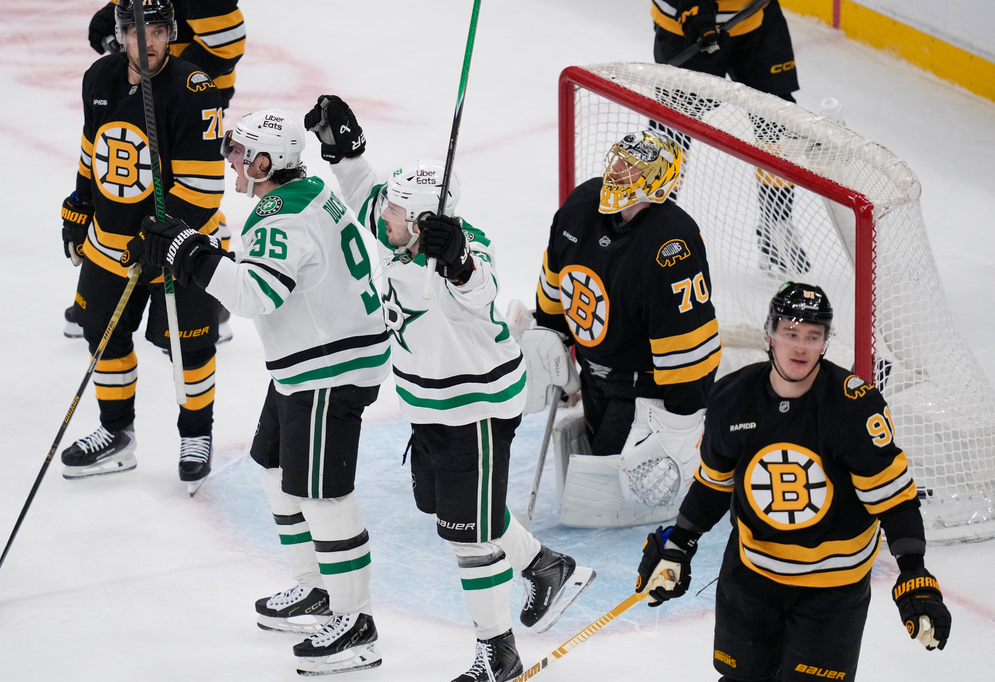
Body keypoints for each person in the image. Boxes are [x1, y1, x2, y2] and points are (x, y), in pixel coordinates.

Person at [306, 94, 595, 682]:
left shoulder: (464, 251)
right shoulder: (397, 232)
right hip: (430, 406)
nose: (381, 215)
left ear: (420, 224)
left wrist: (457, 258)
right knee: (450, 509)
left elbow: (479, 289)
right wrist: (346, 152)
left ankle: (498, 653)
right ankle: (545, 564)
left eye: (394, 210)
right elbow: (364, 194)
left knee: (470, 536)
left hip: (476, 410)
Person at [135, 108, 391, 676]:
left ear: (265, 163)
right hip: (311, 361)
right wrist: (192, 250)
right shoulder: (306, 192)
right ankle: (316, 589)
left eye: (239, 153)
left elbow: (254, 295)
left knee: (323, 496)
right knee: (274, 466)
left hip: (330, 369)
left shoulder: (281, 218)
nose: (230, 160)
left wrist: (189, 253)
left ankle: (357, 623)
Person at [635, 282, 953, 681]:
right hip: (752, 576)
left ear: (825, 343)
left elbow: (895, 501)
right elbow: (714, 485)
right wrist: (679, 544)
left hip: (833, 588)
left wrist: (914, 572)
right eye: (791, 333)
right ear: (770, 335)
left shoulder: (854, 408)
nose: (801, 347)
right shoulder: (732, 398)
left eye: (812, 336)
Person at [59, 0, 224, 491]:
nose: (147, 41)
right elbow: (92, 149)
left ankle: (196, 435)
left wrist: (157, 236)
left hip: (180, 249)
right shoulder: (99, 78)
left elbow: (203, 188)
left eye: (157, 31)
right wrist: (79, 205)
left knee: (190, 347)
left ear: (171, 33)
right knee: (102, 336)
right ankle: (116, 432)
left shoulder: (194, 88)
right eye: (136, 31)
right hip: (109, 246)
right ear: (122, 34)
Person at [534, 130, 721, 527]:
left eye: (633, 168)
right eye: (619, 159)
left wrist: (681, 422)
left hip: (642, 388)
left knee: (606, 499)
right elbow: (554, 279)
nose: (618, 170)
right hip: (592, 371)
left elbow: (689, 345)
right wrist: (550, 338)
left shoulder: (672, 243)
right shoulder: (580, 206)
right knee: (591, 476)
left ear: (657, 183)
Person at [65, 0, 246, 340]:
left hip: (186, 92)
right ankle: (106, 289)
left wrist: (171, 83)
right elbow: (108, 24)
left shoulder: (184, 85)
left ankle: (212, 295)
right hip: (149, 78)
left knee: (190, 187)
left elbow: (226, 40)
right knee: (141, 181)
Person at [651, 0, 810, 274]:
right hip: (685, 23)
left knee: (778, 120)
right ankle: (652, 221)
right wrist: (693, 12)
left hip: (756, 17)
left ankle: (776, 223)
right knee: (674, 122)